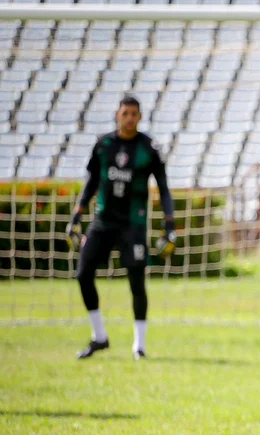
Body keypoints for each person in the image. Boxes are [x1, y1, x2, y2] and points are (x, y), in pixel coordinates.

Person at [65, 96, 176, 361]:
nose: (129, 118)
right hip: (103, 222)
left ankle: (139, 345)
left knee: (137, 281)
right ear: (117, 115)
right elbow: (92, 181)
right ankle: (100, 337)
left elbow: (163, 187)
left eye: (134, 113)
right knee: (83, 274)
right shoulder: (104, 145)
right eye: (125, 113)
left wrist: (169, 225)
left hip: (133, 225)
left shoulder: (150, 149)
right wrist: (77, 215)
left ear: (140, 117)